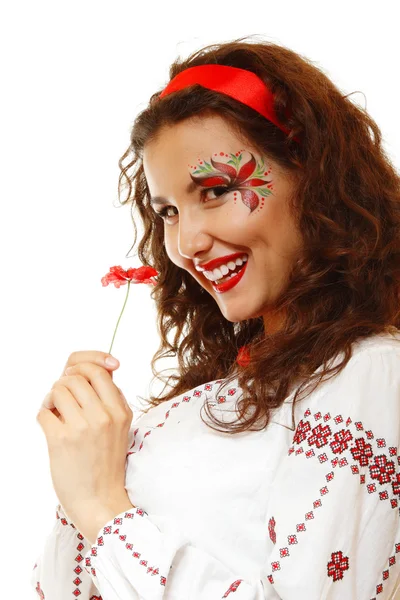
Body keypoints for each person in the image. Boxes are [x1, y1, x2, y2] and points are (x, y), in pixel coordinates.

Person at [31, 36, 400, 599]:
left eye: (217, 190)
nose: (187, 242)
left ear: (314, 179)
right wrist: (89, 458)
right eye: (169, 211)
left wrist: (103, 507)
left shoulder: (368, 374)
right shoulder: (208, 401)